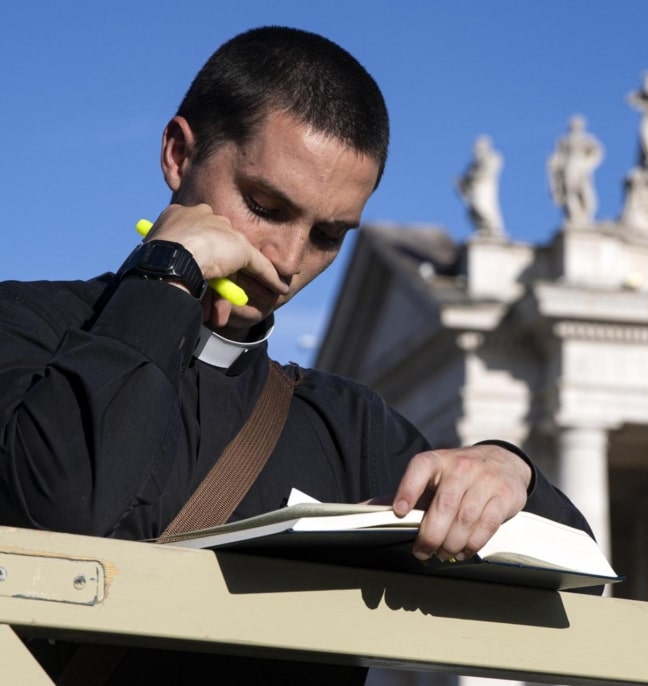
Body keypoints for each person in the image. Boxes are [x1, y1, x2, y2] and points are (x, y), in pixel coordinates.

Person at [0, 26, 599, 684]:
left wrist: (509, 472)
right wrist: (166, 274)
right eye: (264, 205)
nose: (286, 262)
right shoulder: (23, 327)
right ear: (178, 153)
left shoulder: (347, 426)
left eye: (328, 235)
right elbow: (59, 517)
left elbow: (580, 587)